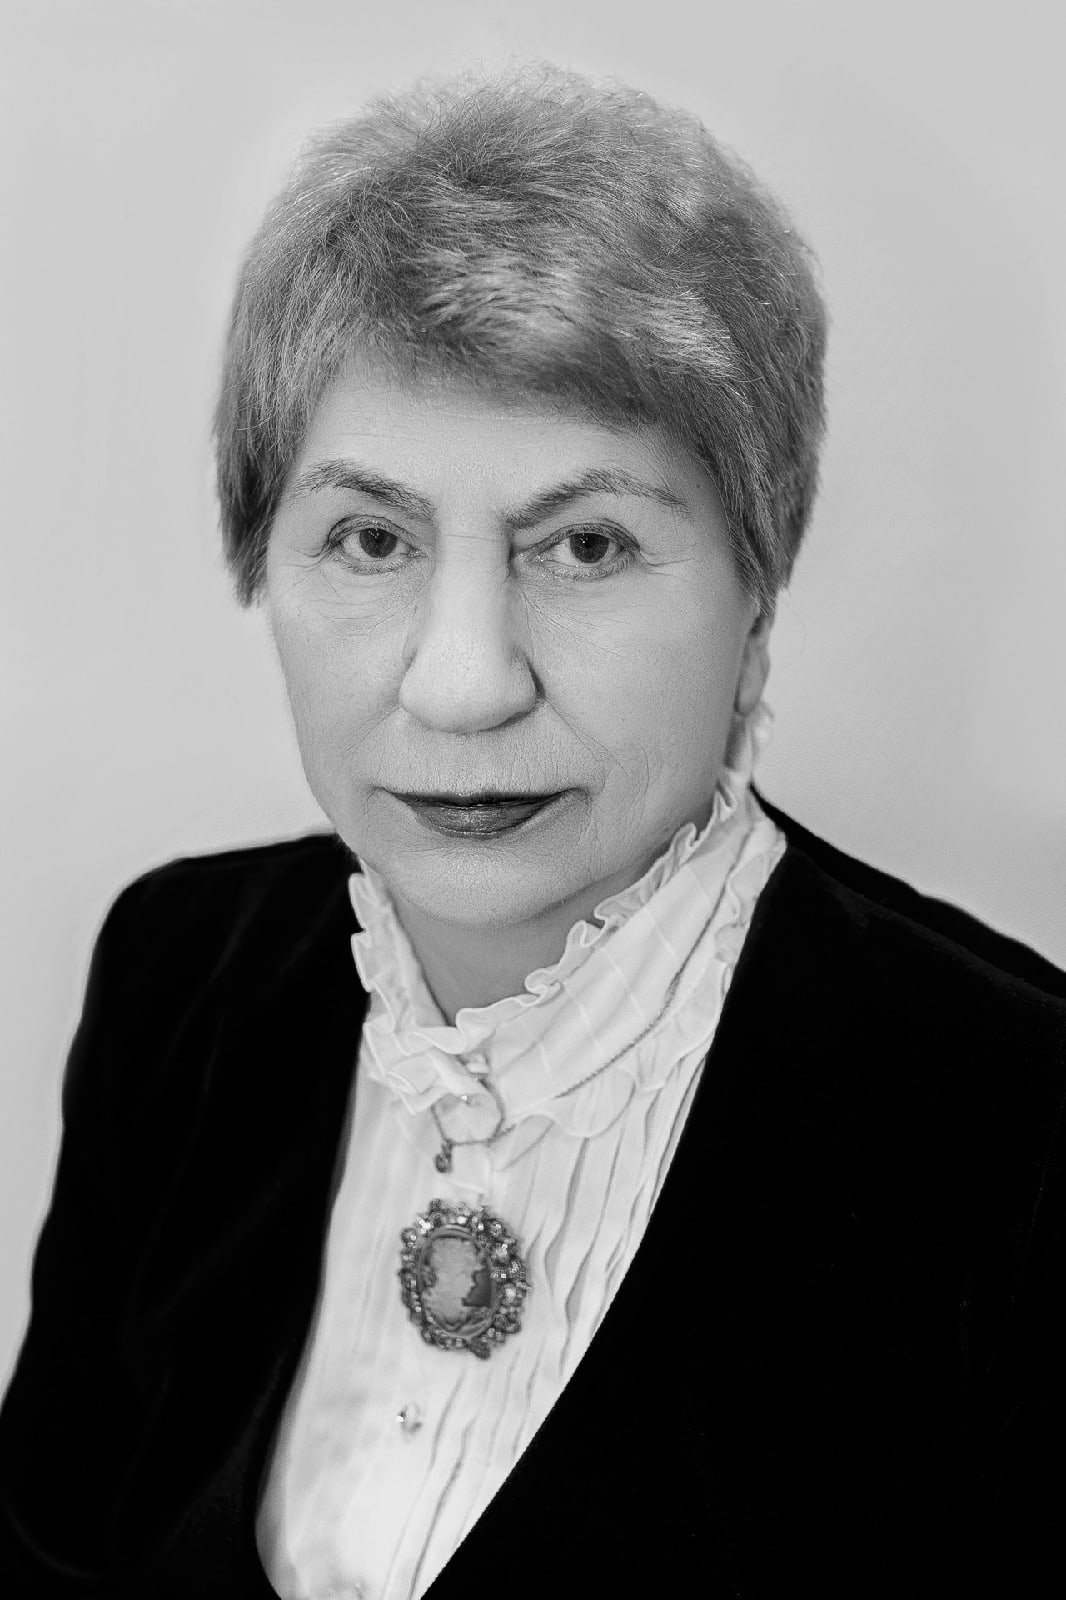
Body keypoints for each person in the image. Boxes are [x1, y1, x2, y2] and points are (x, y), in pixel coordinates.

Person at [1, 60, 1063, 1600]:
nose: (464, 682)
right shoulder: (180, 970)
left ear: (756, 595)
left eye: (585, 545)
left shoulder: (1023, 1126)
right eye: (371, 537)